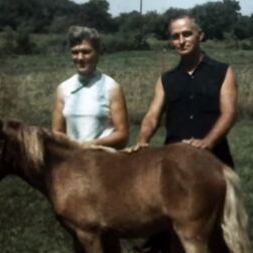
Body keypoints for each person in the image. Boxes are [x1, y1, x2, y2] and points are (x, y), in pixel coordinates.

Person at [134, 13, 237, 253]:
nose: (181, 40)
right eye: (175, 37)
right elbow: (152, 116)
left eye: (186, 34)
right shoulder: (166, 80)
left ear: (200, 35)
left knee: (221, 235)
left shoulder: (223, 72)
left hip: (215, 161)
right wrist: (142, 140)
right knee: (173, 234)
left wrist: (207, 142)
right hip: (174, 169)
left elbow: (229, 114)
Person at [52, 26, 129, 149]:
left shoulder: (111, 88)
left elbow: (122, 135)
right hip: (73, 161)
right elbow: (57, 134)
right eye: (75, 52)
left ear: (97, 53)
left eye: (86, 52)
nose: (80, 58)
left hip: (103, 161)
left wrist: (90, 145)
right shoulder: (63, 89)